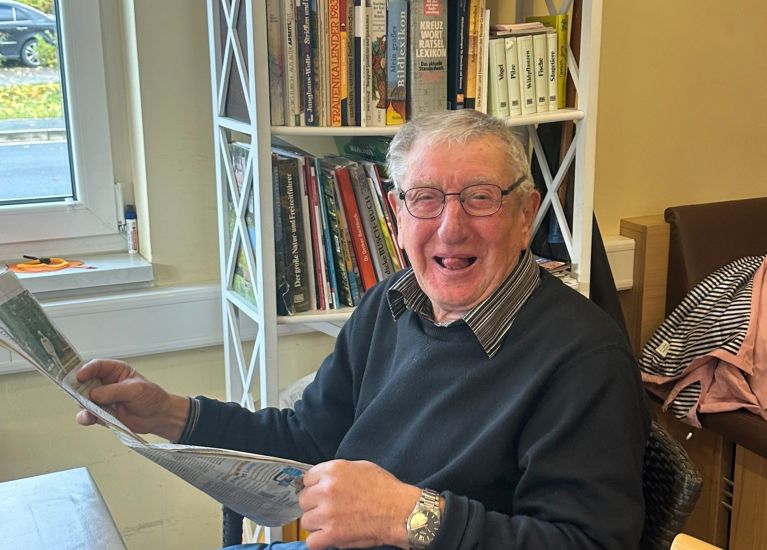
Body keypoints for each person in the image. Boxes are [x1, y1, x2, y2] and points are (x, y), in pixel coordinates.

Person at [76, 110, 650, 550]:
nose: (451, 228)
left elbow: (588, 544)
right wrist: (170, 415)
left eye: (480, 198)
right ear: (398, 216)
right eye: (425, 199)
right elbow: (308, 440)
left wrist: (410, 516)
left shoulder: (584, 359)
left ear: (525, 216)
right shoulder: (391, 304)